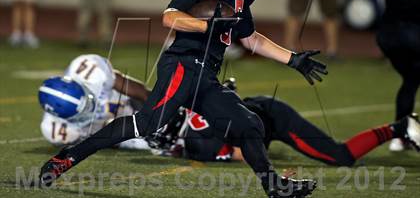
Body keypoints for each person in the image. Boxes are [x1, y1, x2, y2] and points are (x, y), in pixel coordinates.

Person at [39, 0, 328, 197]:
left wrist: (293, 59)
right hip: (184, 62)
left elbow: (249, 38)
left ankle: (273, 185)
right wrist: (207, 25)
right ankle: (66, 158)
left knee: (250, 124)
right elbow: (170, 17)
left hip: (206, 73)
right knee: (148, 124)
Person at [151, 78, 420, 165]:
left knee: (341, 156)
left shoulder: (198, 142)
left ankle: (399, 128)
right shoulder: (192, 101)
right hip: (261, 108)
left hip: (273, 121)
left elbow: (245, 154)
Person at [38, 54, 150, 150]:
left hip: (123, 102)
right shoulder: (55, 129)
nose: (89, 107)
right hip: (101, 128)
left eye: (87, 102)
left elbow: (132, 88)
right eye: (83, 110)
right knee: (143, 143)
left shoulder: (90, 72)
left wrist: (156, 102)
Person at [377, 0, 420, 152]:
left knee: (412, 79)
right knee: (412, 79)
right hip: (409, 30)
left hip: (386, 34)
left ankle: (400, 137)